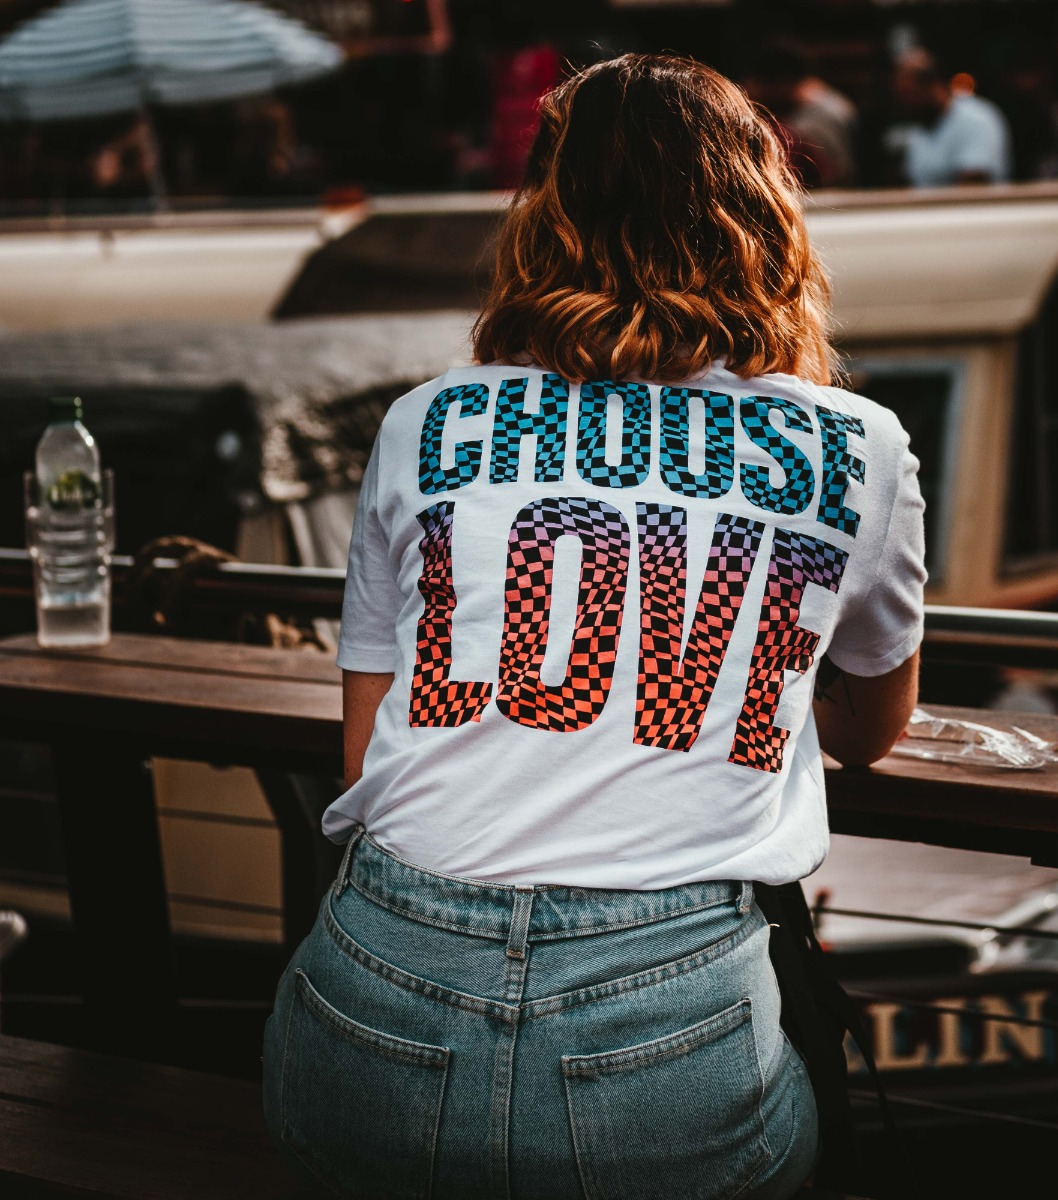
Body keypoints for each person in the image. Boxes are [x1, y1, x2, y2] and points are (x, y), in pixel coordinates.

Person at [262, 53, 925, 1199]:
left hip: (369, 997)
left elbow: (365, 753)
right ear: (762, 210)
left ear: (541, 216)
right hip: (664, 1034)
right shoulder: (857, 448)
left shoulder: (426, 423)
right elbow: (873, 730)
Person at [743, 37, 858, 187]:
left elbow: (836, 175)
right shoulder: (830, 102)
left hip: (826, 195)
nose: (749, 90)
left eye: (756, 84)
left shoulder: (820, 117)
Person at [892, 48, 1012, 187]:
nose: (903, 103)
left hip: (975, 208)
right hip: (927, 209)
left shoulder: (976, 119)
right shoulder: (920, 127)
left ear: (933, 86)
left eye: (907, 94)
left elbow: (972, 190)